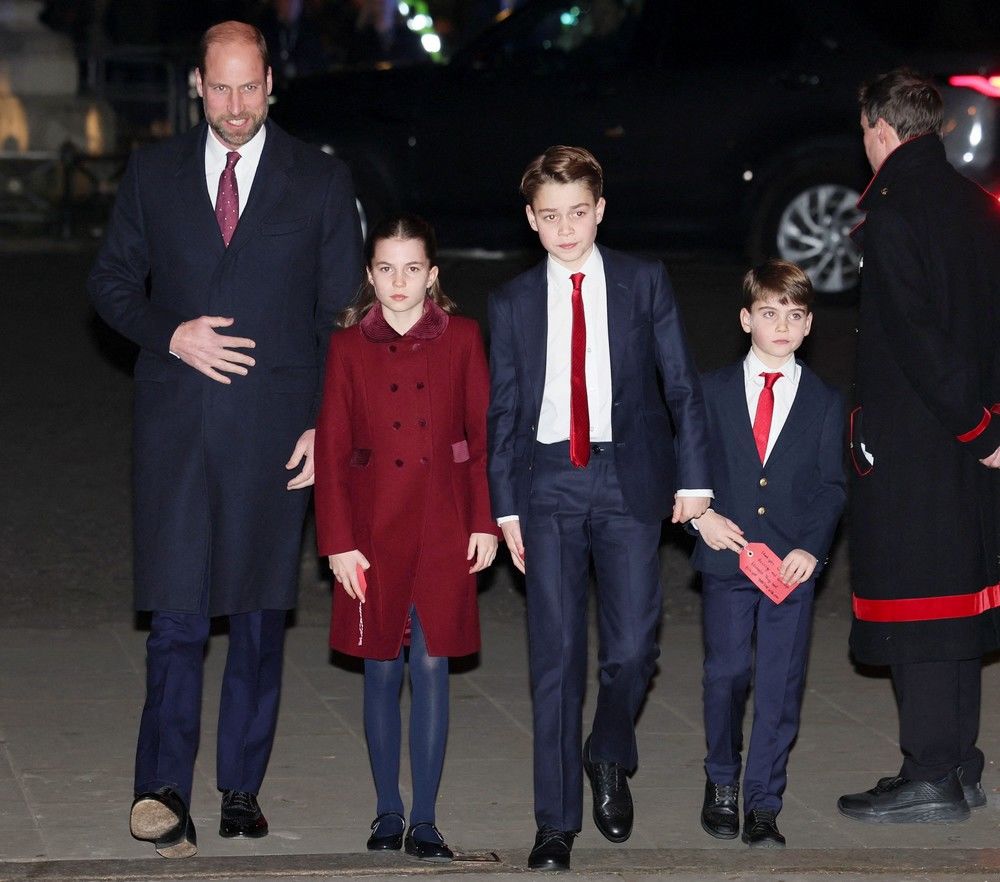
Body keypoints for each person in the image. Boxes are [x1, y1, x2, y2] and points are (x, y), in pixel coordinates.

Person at [87, 21, 362, 859]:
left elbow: (341, 318)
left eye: (249, 88)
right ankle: (161, 788)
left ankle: (241, 786)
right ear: (197, 88)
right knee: (176, 617)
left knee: (257, 617)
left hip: (275, 432)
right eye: (221, 88)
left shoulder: (319, 179)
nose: (236, 107)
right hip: (176, 428)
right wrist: (170, 334)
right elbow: (110, 283)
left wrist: (325, 424)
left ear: (271, 84)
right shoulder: (154, 172)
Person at [486, 145, 711, 871]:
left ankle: (607, 748)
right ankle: (555, 824)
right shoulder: (513, 301)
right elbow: (503, 411)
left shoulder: (643, 281)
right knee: (554, 658)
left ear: (600, 210)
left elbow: (681, 385)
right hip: (547, 483)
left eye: (578, 213)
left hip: (627, 478)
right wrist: (506, 509)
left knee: (634, 648)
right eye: (550, 216)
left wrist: (695, 478)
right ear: (531, 219)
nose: (565, 229)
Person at [837, 68, 1000, 824]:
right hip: (971, 436)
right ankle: (959, 764)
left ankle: (931, 771)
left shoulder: (896, 213)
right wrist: (989, 427)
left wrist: (973, 425)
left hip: (922, 441)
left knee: (921, 606)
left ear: (880, 128)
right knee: (961, 597)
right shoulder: (975, 202)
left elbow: (917, 340)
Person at [313, 214, 499, 862]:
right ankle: (386, 809)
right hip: (372, 530)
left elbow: (482, 439)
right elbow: (333, 450)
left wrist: (485, 521)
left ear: (432, 275)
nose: (399, 281)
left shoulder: (463, 338)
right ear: (370, 275)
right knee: (380, 668)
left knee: (432, 663)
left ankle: (425, 819)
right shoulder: (347, 347)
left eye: (412, 269)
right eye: (387, 269)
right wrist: (338, 542)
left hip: (444, 524)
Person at [691, 260, 845, 848]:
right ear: (745, 319)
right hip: (727, 557)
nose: (782, 326)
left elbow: (831, 486)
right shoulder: (712, 390)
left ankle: (763, 802)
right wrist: (700, 516)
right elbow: (688, 464)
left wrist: (811, 546)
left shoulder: (825, 400)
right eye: (769, 313)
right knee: (726, 673)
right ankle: (722, 780)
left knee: (780, 684)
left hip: (789, 568)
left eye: (794, 315)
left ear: (808, 325)